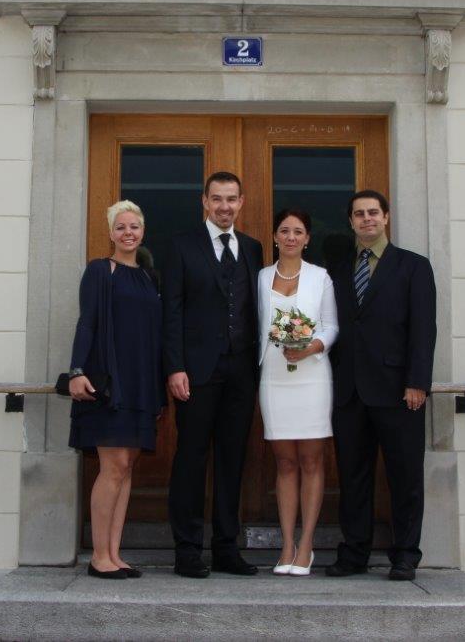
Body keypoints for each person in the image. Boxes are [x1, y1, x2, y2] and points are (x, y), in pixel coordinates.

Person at [325, 190, 436, 582]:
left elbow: (423, 329)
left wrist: (417, 382)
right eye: (359, 214)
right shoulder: (337, 269)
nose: (366, 219)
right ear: (351, 221)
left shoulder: (413, 267)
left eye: (373, 212)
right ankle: (354, 553)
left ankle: (405, 554)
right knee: (353, 476)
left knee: (405, 477)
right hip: (349, 391)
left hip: (398, 391)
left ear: (386, 217)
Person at [162, 171, 263, 578]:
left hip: (242, 371)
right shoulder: (181, 245)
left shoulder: (253, 248)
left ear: (241, 203)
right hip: (196, 371)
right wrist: (175, 366)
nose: (224, 206)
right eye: (217, 199)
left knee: (233, 459)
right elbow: (171, 310)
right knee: (191, 458)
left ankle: (226, 548)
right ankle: (187, 550)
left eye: (231, 199)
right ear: (204, 201)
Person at [68, 200, 164, 580]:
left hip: (141, 382)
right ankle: (98, 557)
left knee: (126, 468)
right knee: (113, 466)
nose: (128, 233)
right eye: (121, 227)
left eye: (134, 227)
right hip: (109, 381)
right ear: (110, 232)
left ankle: (114, 553)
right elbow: (87, 323)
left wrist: (157, 389)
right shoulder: (99, 270)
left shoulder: (150, 277)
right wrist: (76, 371)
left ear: (143, 232)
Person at [257, 208, 338, 577]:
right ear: (275, 236)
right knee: (285, 462)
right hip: (274, 376)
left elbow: (331, 325)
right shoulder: (261, 277)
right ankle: (286, 544)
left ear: (307, 239)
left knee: (311, 461)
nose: (291, 237)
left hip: (312, 376)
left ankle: (306, 545)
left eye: (298, 231)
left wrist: (311, 347)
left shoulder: (320, 277)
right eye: (284, 231)